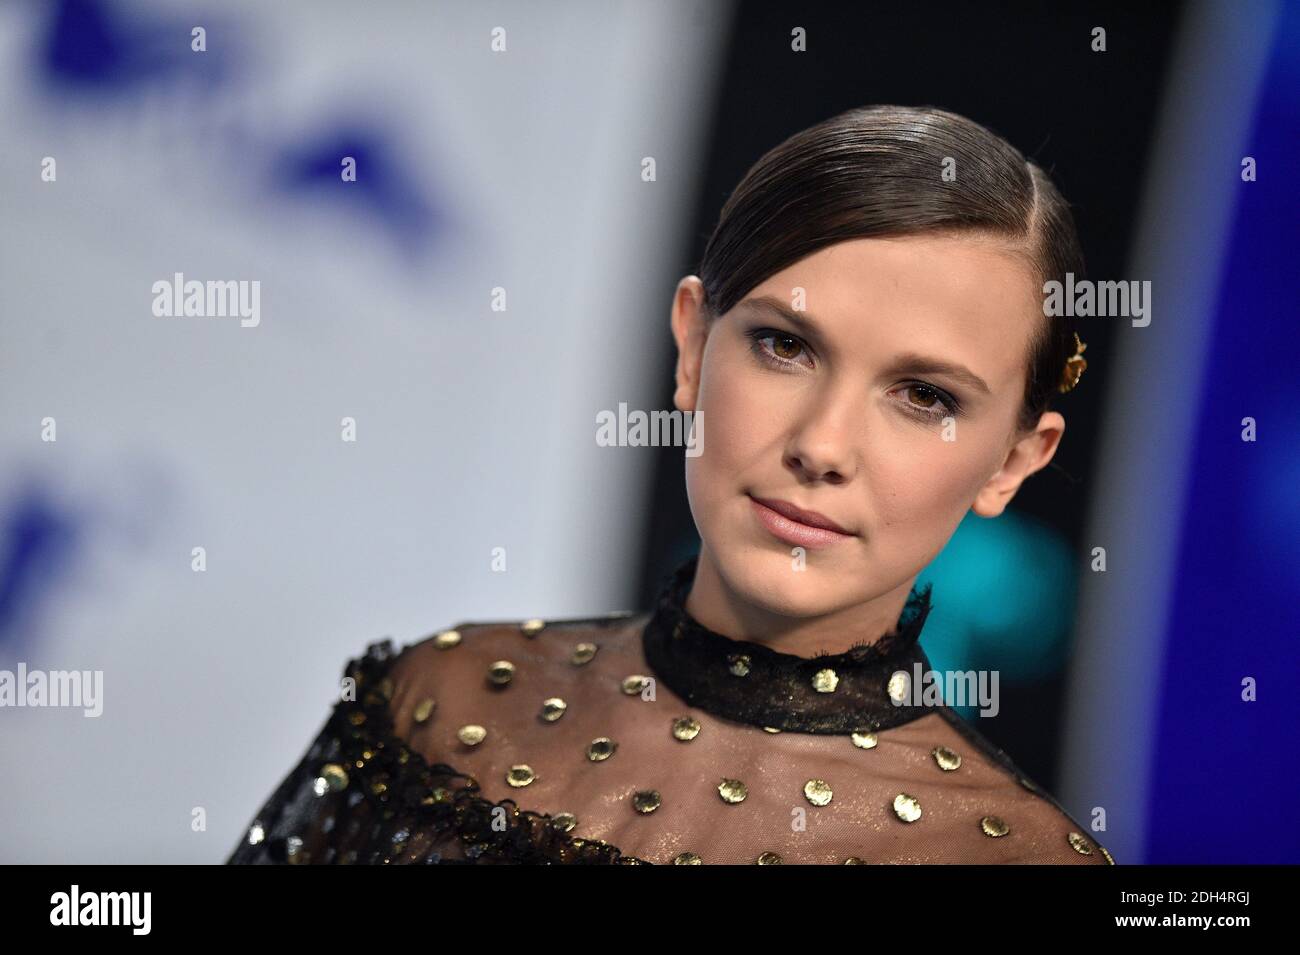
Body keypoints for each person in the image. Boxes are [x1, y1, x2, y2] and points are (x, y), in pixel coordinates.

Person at [227, 104, 1111, 865]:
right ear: (692, 347)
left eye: (924, 396)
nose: (823, 445)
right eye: (786, 346)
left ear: (1011, 461)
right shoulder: (438, 703)